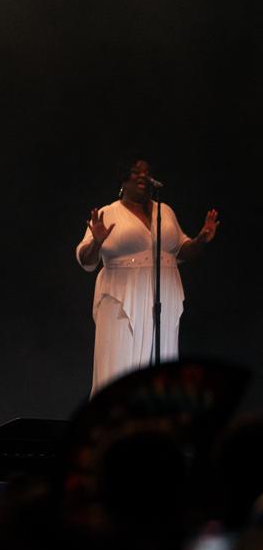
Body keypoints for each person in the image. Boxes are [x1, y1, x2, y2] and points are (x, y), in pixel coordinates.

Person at [76, 158, 218, 396]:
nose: (142, 175)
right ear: (124, 179)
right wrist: (97, 243)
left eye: (147, 172)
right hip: (121, 300)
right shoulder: (107, 212)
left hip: (164, 299)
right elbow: (86, 260)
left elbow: (180, 251)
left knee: (160, 370)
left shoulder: (165, 211)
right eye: (135, 172)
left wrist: (201, 240)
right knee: (121, 369)